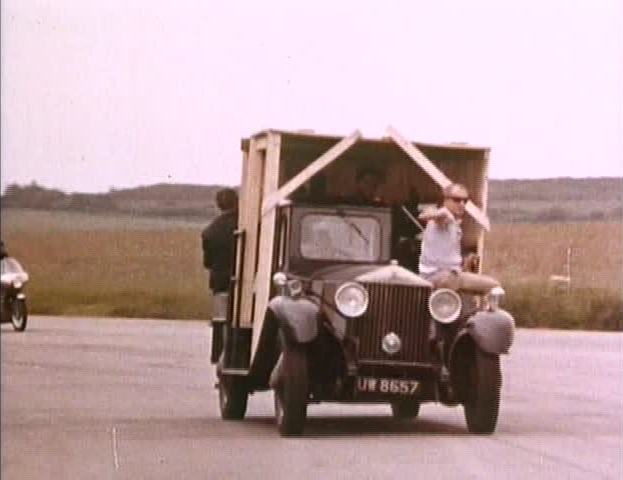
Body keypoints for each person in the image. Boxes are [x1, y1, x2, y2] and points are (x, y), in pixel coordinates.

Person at [418, 183, 499, 294]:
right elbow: (425, 215)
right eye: (457, 200)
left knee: (491, 286)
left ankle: (476, 308)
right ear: (446, 201)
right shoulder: (444, 216)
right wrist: (441, 214)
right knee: (493, 286)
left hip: (451, 273)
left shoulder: (454, 223)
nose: (461, 204)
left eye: (465, 201)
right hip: (438, 275)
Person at [201, 188, 238, 320]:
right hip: (246, 281)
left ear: (218, 205)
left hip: (221, 283)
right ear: (237, 202)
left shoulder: (210, 231)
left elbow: (207, 263)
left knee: (221, 320)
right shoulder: (246, 223)